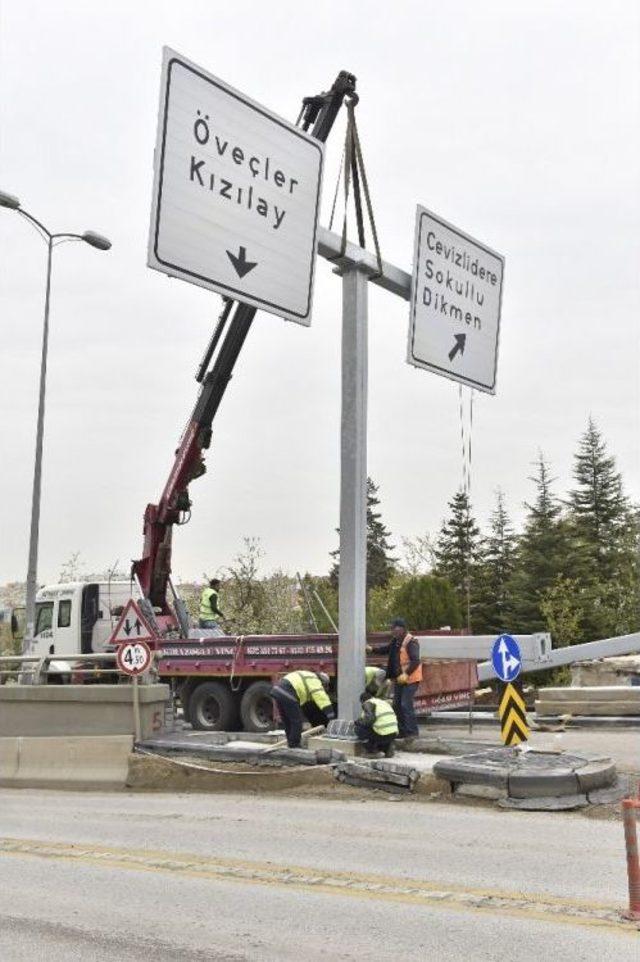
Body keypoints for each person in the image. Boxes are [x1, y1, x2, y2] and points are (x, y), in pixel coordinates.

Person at [378, 617, 422, 738]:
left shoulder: (411, 642)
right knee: (397, 704)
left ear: (402, 629)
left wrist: (406, 674)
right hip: (400, 679)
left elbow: (415, 661)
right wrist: (372, 649)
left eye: (394, 628)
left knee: (405, 705)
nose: (393, 631)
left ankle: (412, 732)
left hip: (411, 679)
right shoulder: (396, 641)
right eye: (392, 629)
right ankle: (402, 731)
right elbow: (386, 650)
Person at [269, 670, 336, 748]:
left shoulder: (308, 677)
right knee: (296, 722)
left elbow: (307, 705)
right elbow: (322, 698)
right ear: (323, 682)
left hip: (278, 691)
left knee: (288, 721)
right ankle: (295, 746)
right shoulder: (314, 681)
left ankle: (291, 744)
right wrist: (331, 716)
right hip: (288, 692)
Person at [355, 692, 399, 757]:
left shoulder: (368, 703)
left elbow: (369, 720)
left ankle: (372, 752)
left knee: (359, 730)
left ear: (362, 701)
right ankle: (387, 748)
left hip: (383, 733)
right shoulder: (382, 702)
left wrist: (358, 722)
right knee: (376, 731)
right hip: (394, 733)